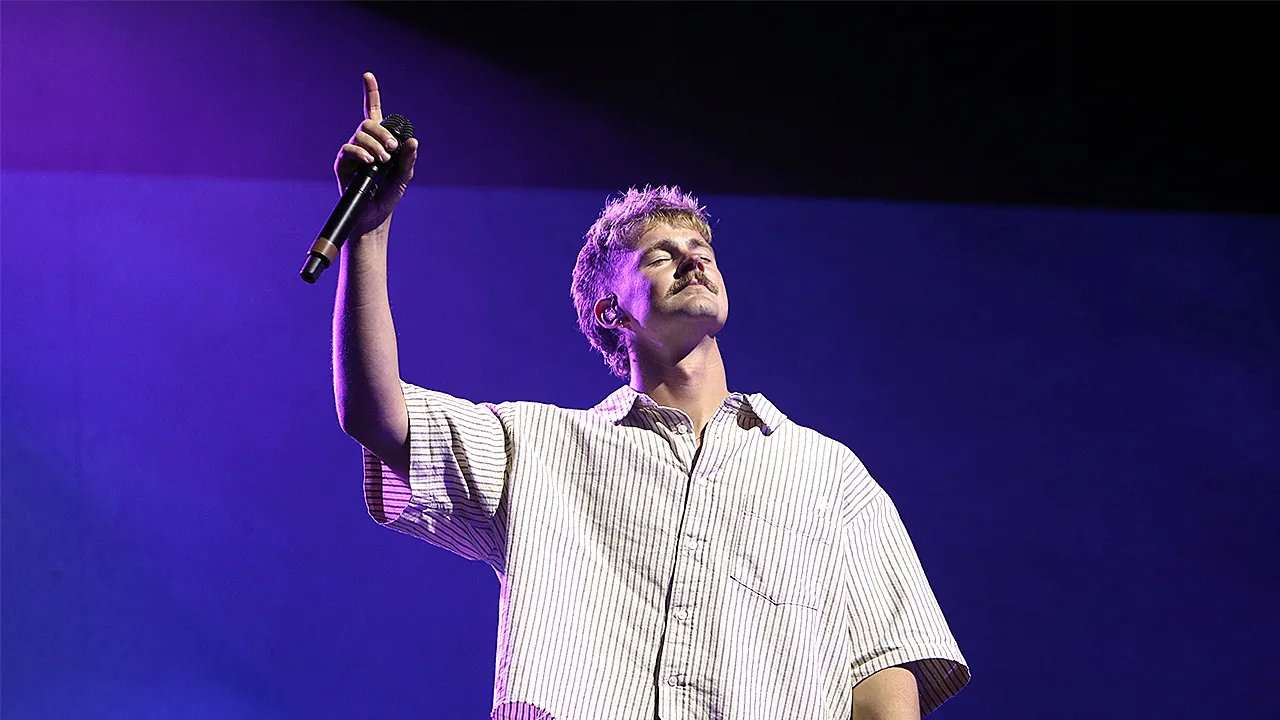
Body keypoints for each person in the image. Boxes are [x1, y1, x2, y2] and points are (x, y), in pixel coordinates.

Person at [333, 72, 969, 720]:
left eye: (702, 250)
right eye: (661, 256)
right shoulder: (539, 448)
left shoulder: (829, 475)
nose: (695, 261)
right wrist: (369, 234)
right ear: (610, 309)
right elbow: (376, 413)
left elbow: (884, 688)